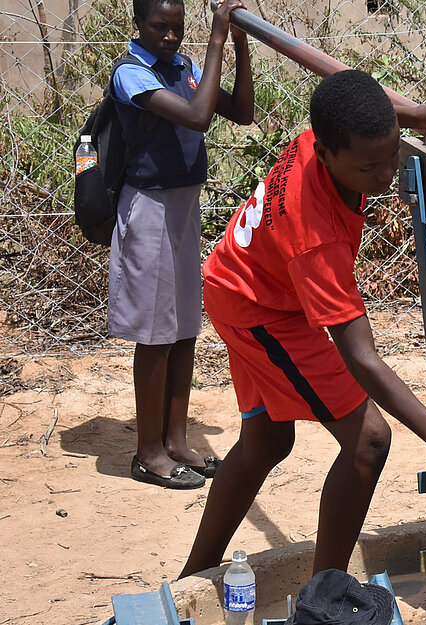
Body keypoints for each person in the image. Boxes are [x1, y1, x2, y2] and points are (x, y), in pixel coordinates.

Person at [179, 69, 426, 577]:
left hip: (237, 277)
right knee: (368, 442)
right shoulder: (316, 239)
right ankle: (326, 596)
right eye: (369, 167)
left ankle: (194, 576)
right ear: (328, 155)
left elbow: (362, 95)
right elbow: (360, 355)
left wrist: (418, 116)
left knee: (267, 442)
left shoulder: (329, 126)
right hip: (262, 308)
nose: (385, 175)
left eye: (391, 156)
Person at [111, 0, 254, 489]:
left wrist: (237, 43)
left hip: (183, 206)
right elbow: (197, 117)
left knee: (183, 328)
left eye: (178, 28)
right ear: (138, 24)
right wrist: (215, 38)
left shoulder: (185, 68)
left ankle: (176, 442)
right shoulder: (131, 74)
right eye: (159, 27)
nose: (171, 37)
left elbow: (243, 112)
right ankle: (147, 453)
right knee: (155, 333)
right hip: (149, 208)